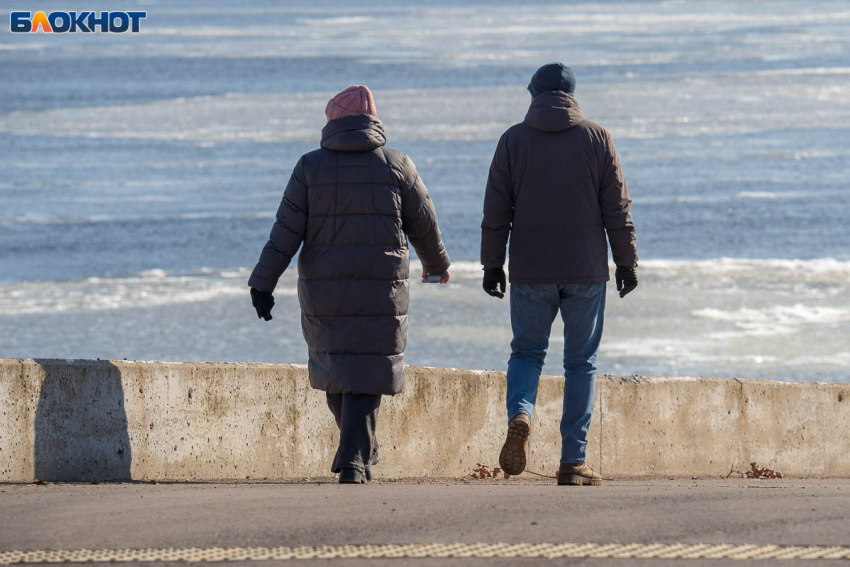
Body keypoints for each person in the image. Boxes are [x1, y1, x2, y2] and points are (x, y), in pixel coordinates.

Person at [248, 85, 451, 484]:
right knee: (365, 369)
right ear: (372, 120)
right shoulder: (397, 165)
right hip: (382, 289)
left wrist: (263, 283)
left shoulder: (310, 168)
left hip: (326, 290)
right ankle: (357, 455)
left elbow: (285, 232)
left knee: (339, 368)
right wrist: (436, 266)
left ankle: (356, 453)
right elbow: (425, 225)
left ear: (333, 122)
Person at [480, 63, 638, 486]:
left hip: (531, 269)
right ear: (572, 96)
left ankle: (522, 415)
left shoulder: (513, 140)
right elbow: (617, 209)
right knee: (581, 363)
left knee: (527, 353)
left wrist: (492, 264)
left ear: (533, 93)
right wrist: (627, 262)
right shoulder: (597, 138)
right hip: (586, 269)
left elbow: (496, 211)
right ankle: (573, 462)